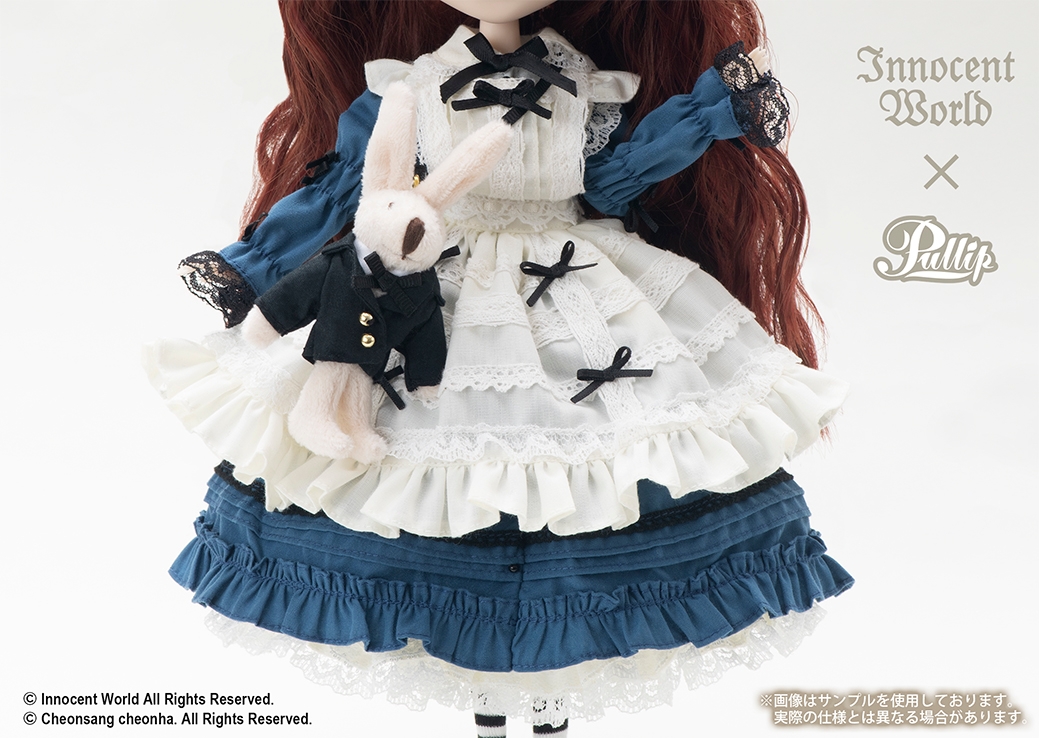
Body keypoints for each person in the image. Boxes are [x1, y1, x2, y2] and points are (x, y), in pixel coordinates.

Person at [144, 2, 853, 734]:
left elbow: (612, 182)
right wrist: (258, 266)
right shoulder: (410, 86)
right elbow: (349, 192)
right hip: (441, 282)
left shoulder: (586, 83)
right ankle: (489, 707)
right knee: (433, 469)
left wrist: (711, 113)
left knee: (600, 465)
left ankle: (549, 705)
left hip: (578, 279)